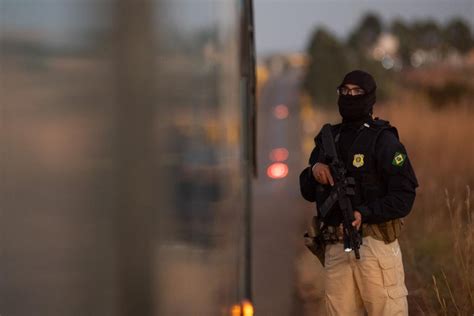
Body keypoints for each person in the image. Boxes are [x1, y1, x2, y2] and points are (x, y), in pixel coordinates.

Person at [299, 70, 419, 316]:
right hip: (335, 249)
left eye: (356, 92)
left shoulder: (384, 140)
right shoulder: (327, 139)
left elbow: (405, 195)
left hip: (375, 248)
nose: (349, 96)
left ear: (369, 97)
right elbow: (307, 191)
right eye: (344, 91)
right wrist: (314, 170)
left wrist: (365, 213)